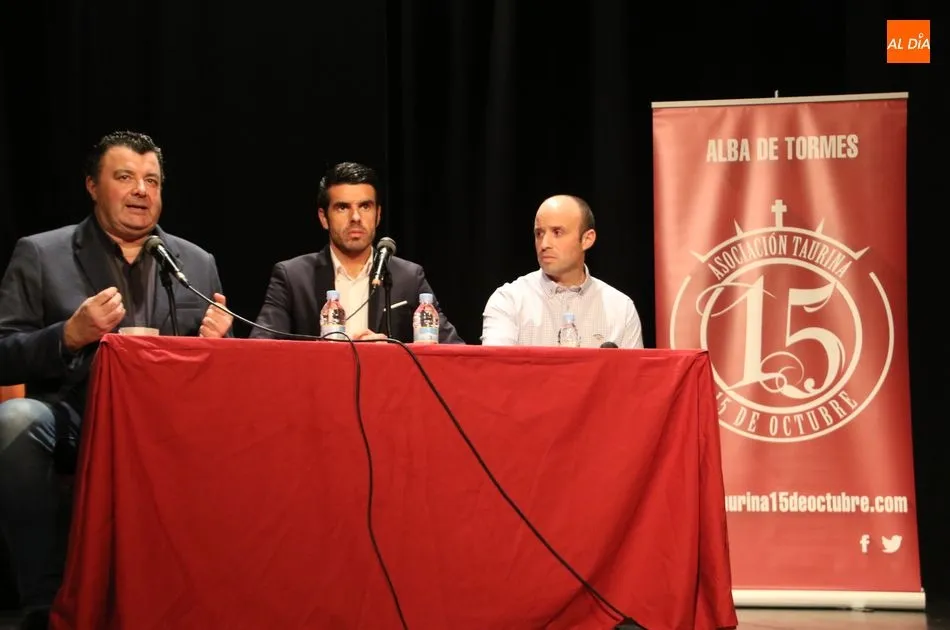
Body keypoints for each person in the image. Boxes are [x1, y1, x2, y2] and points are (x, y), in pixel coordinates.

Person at [0, 130, 233, 628]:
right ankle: (42, 602)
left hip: (171, 431)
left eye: (152, 180)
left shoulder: (195, 262)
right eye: (124, 177)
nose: (141, 191)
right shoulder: (41, 254)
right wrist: (69, 334)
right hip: (77, 419)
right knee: (14, 419)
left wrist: (219, 345)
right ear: (91, 185)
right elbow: (5, 354)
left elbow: (216, 376)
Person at [250, 161, 463, 344]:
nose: (356, 217)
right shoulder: (293, 277)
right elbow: (261, 349)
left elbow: (452, 351)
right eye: (343, 207)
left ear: (378, 214)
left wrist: (391, 353)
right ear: (324, 217)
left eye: (365, 206)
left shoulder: (408, 277)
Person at [480, 194, 643, 348]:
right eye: (539, 233)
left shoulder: (621, 309)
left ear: (587, 239)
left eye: (557, 232)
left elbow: (635, 376)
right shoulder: (508, 301)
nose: (544, 244)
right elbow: (496, 372)